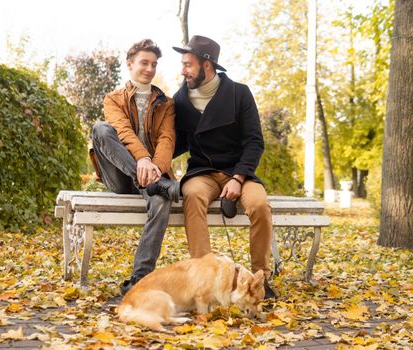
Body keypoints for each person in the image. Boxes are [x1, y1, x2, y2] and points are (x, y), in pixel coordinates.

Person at [172, 35, 276, 299]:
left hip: (239, 171)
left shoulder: (239, 93)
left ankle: (260, 278)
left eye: (188, 64)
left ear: (207, 65)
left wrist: (238, 177)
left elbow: (254, 141)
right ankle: (205, 280)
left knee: (259, 205)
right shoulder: (180, 100)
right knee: (192, 195)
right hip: (201, 172)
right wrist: (146, 159)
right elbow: (176, 143)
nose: (183, 70)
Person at [91, 39, 179, 295]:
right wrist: (142, 160)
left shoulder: (166, 103)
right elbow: (123, 132)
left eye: (154, 64)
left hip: (152, 177)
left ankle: (140, 281)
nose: (150, 68)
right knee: (101, 129)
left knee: (162, 201)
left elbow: (167, 139)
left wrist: (155, 168)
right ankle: (156, 184)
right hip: (121, 175)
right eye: (144, 63)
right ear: (130, 65)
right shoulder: (113, 99)